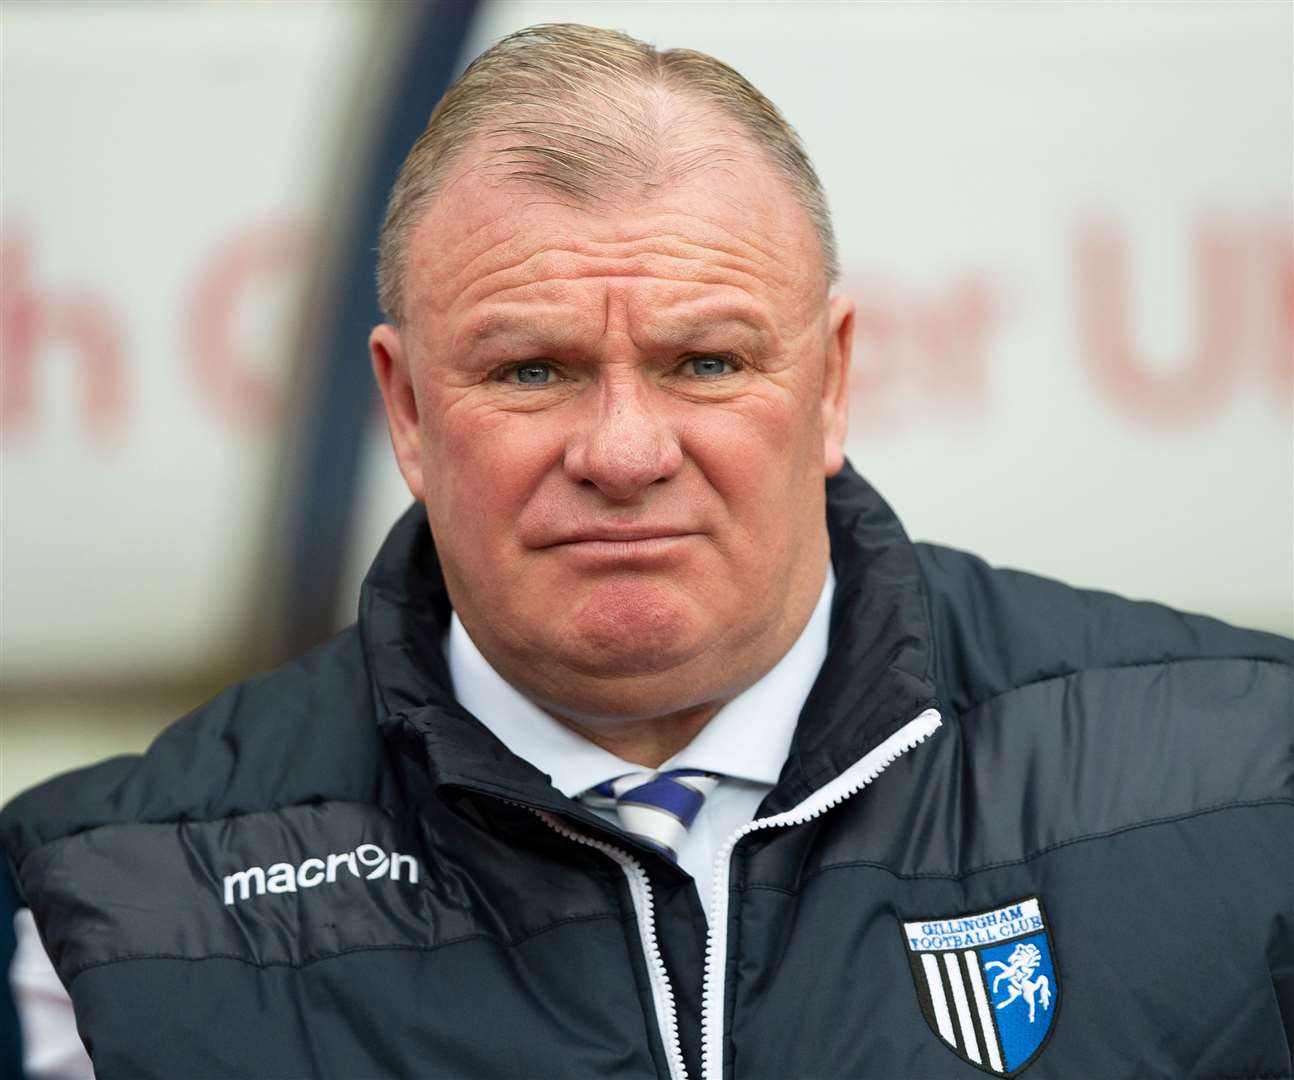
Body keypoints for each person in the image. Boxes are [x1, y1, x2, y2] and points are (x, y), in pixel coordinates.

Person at [4, 23, 1292, 1080]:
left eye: (706, 362)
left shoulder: (1250, 778)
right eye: (532, 369)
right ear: (405, 411)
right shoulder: (106, 911)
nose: (623, 452)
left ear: (832, 381)